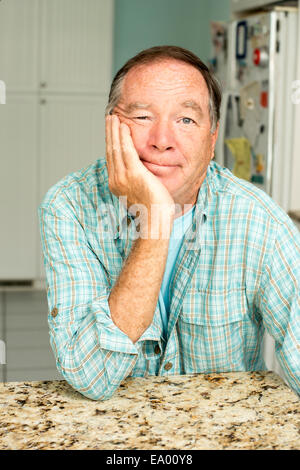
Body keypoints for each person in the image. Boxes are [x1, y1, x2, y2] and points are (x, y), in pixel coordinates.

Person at [38, 46, 300, 400]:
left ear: (212, 140)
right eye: (143, 117)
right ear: (111, 127)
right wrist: (156, 219)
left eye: (186, 120)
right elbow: (90, 376)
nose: (162, 141)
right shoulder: (69, 206)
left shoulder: (260, 221)